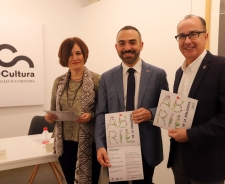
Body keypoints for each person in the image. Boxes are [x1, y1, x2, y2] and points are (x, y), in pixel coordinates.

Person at [167, 15, 225, 184]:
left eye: (193, 34)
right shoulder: (179, 72)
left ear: (206, 36)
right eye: (181, 36)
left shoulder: (224, 67)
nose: (187, 41)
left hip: (208, 164)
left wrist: (190, 134)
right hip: (179, 158)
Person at [95, 25, 169, 184]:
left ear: (141, 45)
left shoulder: (158, 75)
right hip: (116, 148)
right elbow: (101, 113)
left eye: (132, 42)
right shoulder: (107, 77)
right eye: (122, 43)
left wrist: (151, 113)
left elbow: (166, 110)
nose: (127, 47)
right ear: (116, 47)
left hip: (147, 148)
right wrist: (100, 145)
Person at [45, 37, 101, 184]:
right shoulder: (59, 81)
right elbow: (53, 111)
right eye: (70, 54)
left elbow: (104, 112)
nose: (75, 58)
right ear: (64, 57)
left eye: (78, 53)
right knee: (70, 181)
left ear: (84, 55)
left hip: (90, 142)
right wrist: (50, 117)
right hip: (65, 142)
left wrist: (91, 115)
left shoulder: (97, 80)